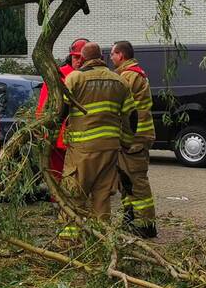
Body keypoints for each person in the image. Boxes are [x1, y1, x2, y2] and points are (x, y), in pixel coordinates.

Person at [58, 41, 131, 239]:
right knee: (102, 197)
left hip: (82, 149)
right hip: (109, 148)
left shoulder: (75, 78)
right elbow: (130, 115)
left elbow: (60, 111)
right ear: (103, 57)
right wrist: (126, 141)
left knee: (74, 195)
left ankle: (69, 241)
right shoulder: (119, 81)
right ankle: (101, 242)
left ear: (83, 58)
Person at [110, 40, 157, 238]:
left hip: (134, 138)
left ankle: (146, 224)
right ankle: (131, 217)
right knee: (126, 180)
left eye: (112, 54)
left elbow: (120, 105)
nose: (111, 58)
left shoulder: (127, 76)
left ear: (120, 55)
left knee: (137, 180)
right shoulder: (134, 73)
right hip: (135, 136)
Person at [35, 38, 88, 181]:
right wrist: (41, 128)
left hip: (80, 135)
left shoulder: (88, 77)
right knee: (57, 170)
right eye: (76, 57)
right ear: (70, 57)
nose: (79, 61)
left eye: (82, 58)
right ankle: (56, 199)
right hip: (58, 134)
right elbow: (44, 103)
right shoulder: (59, 75)